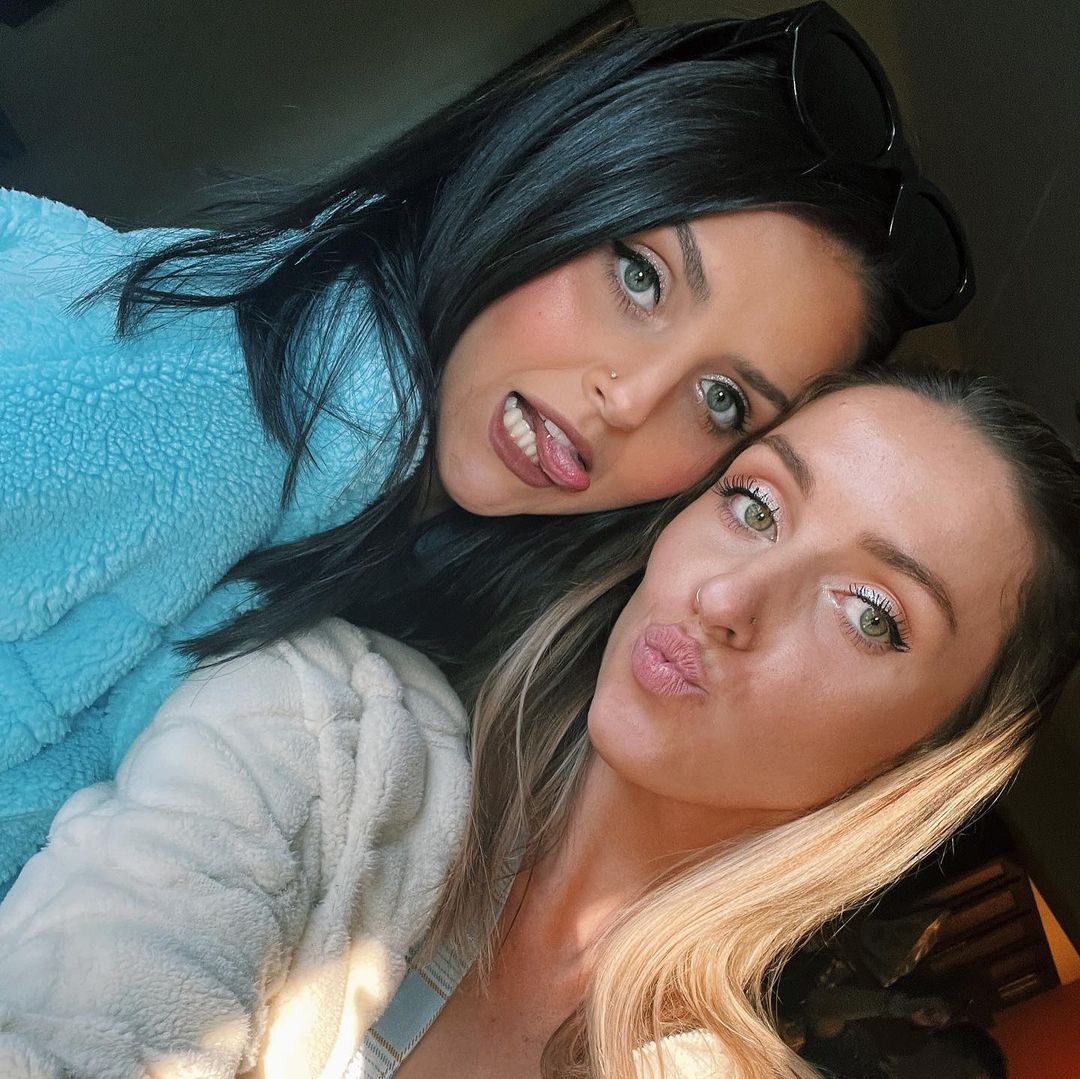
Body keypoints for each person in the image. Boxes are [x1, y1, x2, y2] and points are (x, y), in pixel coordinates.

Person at [0, 3, 974, 895]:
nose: (630, 400)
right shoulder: (202, 394)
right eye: (640, 277)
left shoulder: (418, 546)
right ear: (546, 179)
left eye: (722, 399)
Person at [0, 363, 1074, 1079]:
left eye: (871, 612)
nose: (726, 598)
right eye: (754, 504)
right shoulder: (327, 730)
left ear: (924, 767)